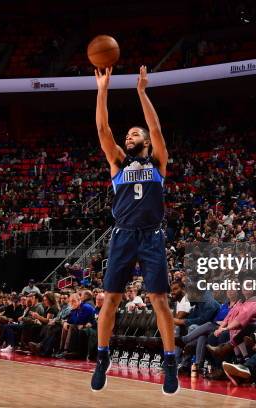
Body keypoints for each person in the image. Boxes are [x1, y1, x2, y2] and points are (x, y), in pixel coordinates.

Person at [90, 65, 178, 395]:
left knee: (159, 300)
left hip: (152, 235)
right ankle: (102, 358)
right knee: (110, 299)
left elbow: (155, 127)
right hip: (123, 234)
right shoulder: (117, 162)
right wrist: (103, 89)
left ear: (144, 141)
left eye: (134, 133)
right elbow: (102, 128)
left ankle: (170, 363)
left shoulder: (157, 161)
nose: (129, 136)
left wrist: (141, 92)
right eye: (127, 134)